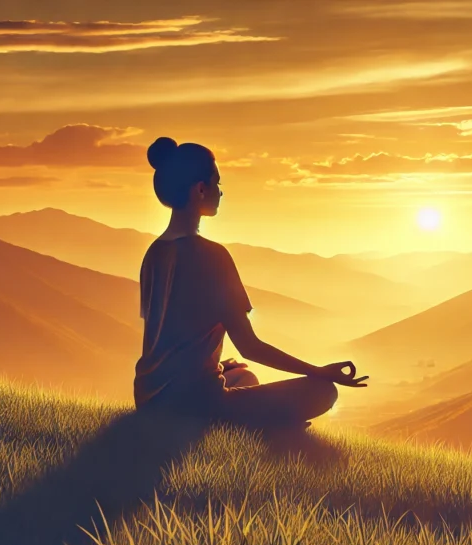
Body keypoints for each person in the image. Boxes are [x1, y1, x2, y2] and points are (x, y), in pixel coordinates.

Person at [133, 136, 368, 427]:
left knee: (242, 375)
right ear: (201, 189)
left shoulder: (153, 254)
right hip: (196, 406)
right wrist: (319, 371)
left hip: (150, 399)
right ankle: (270, 427)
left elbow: (166, 339)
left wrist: (212, 366)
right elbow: (250, 346)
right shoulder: (212, 256)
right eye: (217, 183)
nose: (220, 192)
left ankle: (261, 418)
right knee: (322, 392)